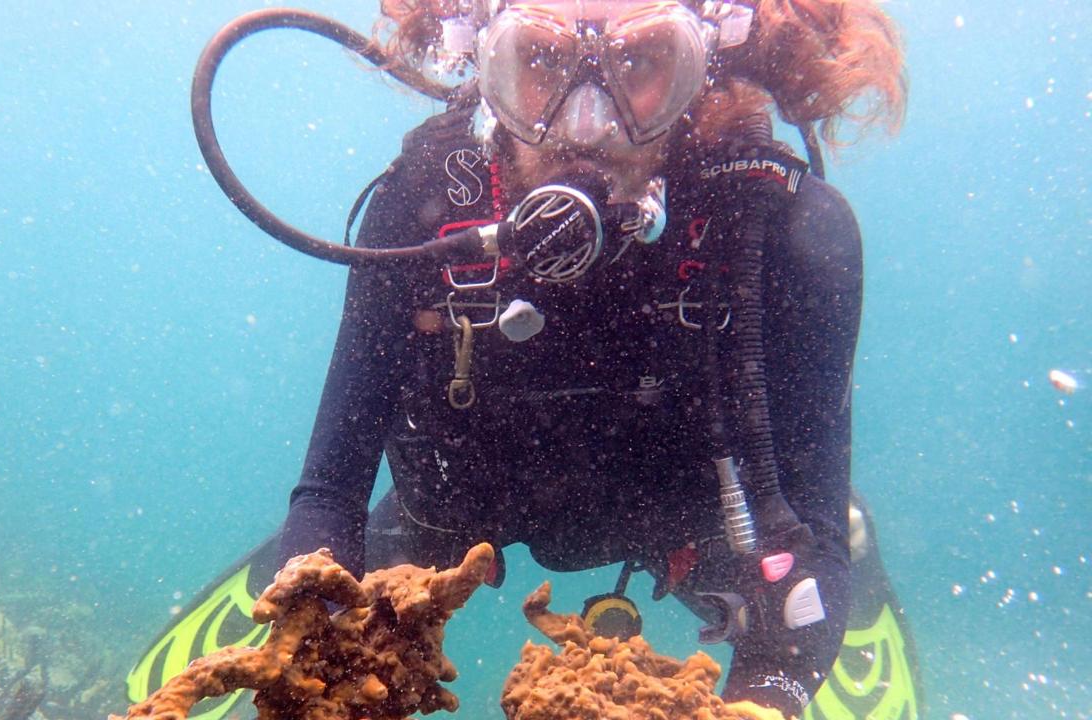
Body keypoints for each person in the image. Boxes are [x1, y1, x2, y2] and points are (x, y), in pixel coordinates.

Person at [128, 1, 911, 718]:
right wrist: (316, 620)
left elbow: (802, 518)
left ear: (703, 68)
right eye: (538, 60)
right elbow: (330, 487)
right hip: (456, 513)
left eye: (641, 63)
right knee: (316, 585)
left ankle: (846, 600)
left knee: (802, 576)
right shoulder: (417, 205)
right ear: (483, 61)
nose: (585, 123)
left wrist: (769, 692)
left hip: (702, 522)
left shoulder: (787, 231)